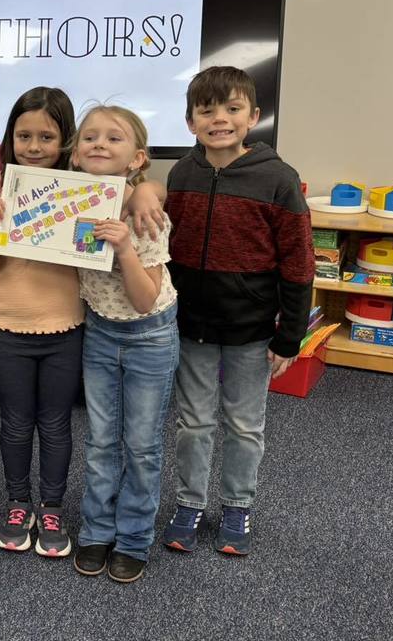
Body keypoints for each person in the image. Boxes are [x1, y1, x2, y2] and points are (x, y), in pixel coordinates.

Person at [161, 66, 314, 557]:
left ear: (254, 116)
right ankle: (189, 503)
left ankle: (237, 506)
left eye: (231, 109)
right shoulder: (182, 174)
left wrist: (289, 336)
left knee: (245, 424)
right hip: (192, 327)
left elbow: (298, 262)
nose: (219, 119)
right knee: (193, 422)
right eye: (207, 111)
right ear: (190, 122)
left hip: (251, 330)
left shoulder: (277, 179)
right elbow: (166, 248)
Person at [65, 105, 179, 584]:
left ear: (137, 158)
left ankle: (133, 538)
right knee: (101, 440)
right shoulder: (71, 200)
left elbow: (145, 296)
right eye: (89, 136)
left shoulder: (146, 212)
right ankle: (97, 529)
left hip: (149, 333)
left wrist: (125, 248)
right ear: (74, 153)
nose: (98, 144)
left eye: (114, 139)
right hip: (100, 330)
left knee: (143, 445)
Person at [0, 87, 84, 558]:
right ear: (10, 138)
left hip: (65, 327)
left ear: (65, 140)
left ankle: (52, 506)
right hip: (7, 327)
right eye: (23, 136)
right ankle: (18, 503)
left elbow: (88, 256)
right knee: (16, 424)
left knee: (56, 424)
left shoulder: (82, 188)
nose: (34, 146)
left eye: (46, 136)